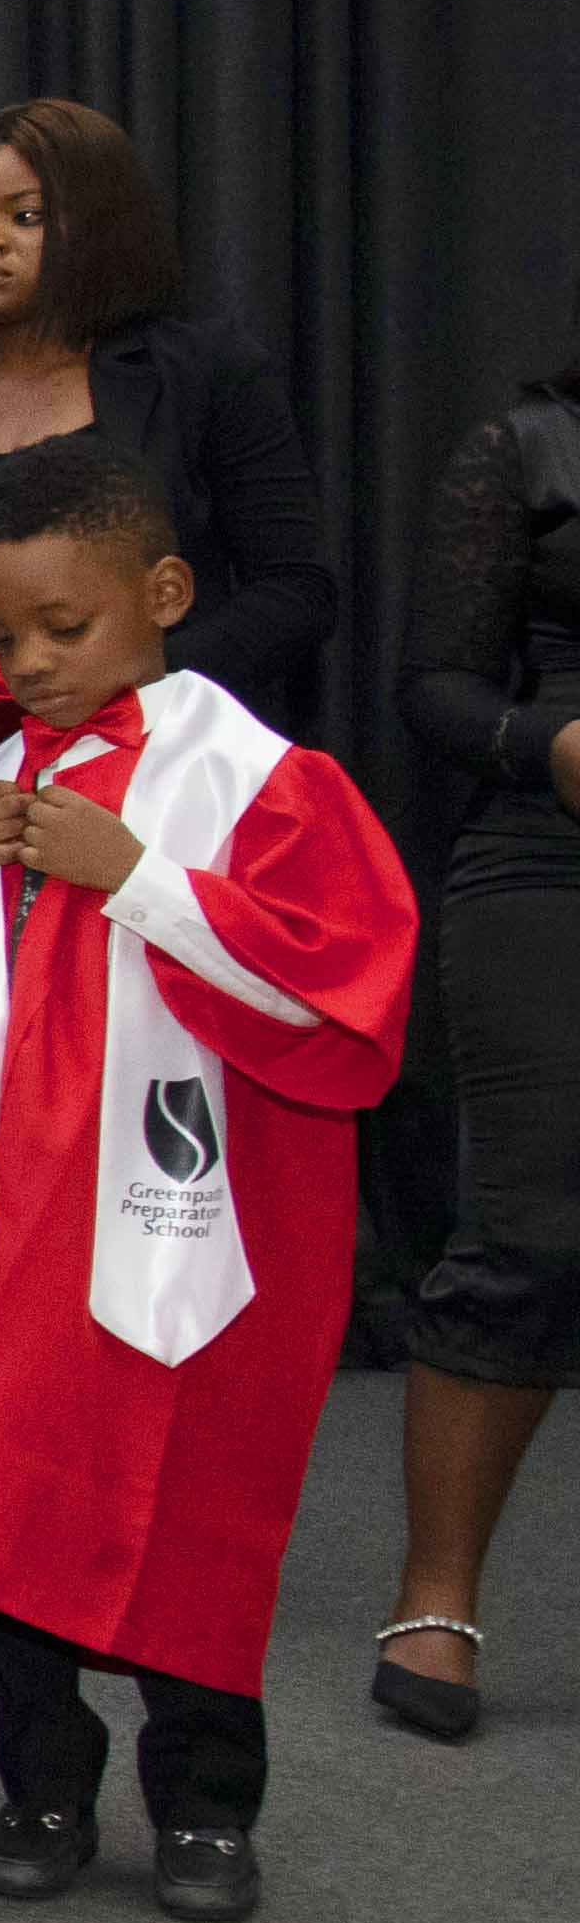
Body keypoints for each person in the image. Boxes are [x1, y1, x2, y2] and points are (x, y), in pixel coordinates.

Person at [0, 434, 417, 1922]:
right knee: (10, 1494)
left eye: (62, 627)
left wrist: (137, 875)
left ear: (163, 592)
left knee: (191, 1503)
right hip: (8, 1221)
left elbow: (340, 995)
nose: (27, 665)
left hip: (190, 1220)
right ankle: (41, 1782)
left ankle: (207, 1803)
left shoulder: (262, 782)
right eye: (1, 633)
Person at [0, 94, 336, 766]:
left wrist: (126, 694)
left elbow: (295, 591)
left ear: (100, 227)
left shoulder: (205, 374)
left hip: (170, 754)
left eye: (24, 217)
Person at [377, 344, 580, 1740]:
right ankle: (435, 1596)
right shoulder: (531, 445)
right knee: (530, 1224)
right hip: (551, 852)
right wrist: (545, 745)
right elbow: (436, 685)